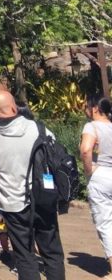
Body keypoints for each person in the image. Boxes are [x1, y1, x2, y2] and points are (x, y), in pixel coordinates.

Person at [0, 88, 65, 280]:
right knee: (51, 252)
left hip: (12, 203)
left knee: (24, 255)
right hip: (43, 197)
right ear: (13, 106)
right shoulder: (38, 128)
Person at [81, 94, 112, 277]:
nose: (85, 110)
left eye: (86, 106)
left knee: (106, 223)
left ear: (94, 108)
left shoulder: (91, 126)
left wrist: (88, 170)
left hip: (101, 175)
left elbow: (86, 149)